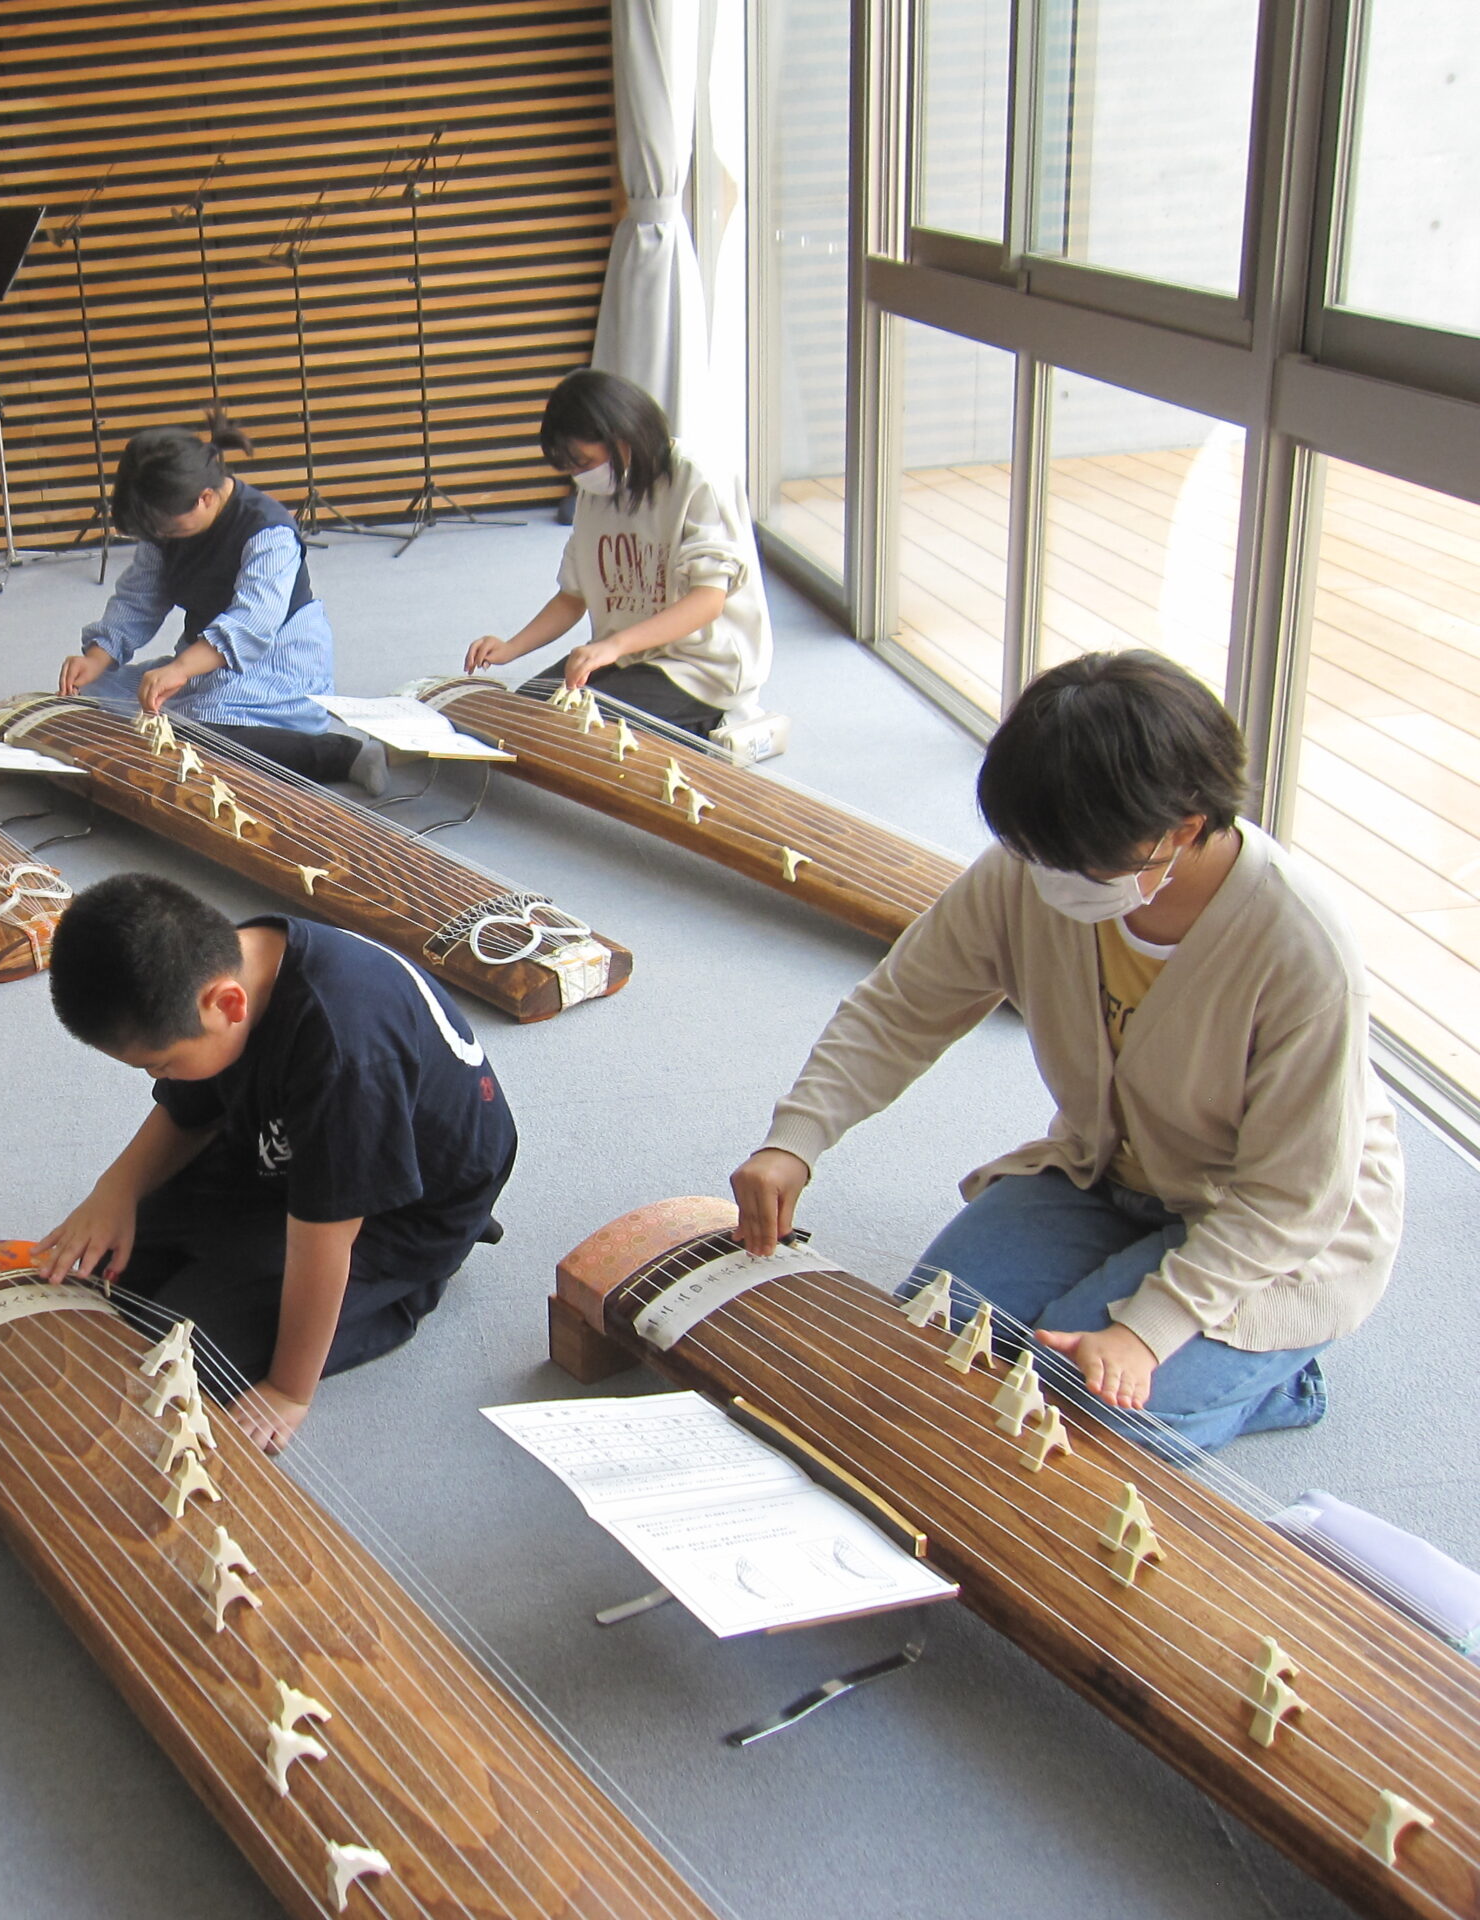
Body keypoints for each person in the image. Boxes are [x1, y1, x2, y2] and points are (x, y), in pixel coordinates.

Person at [728, 652, 1403, 1450]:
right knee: (929, 1340)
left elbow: (1292, 1199)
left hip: (1271, 1229)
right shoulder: (1033, 865)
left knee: (1078, 1417)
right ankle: (1140, 1299)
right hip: (1105, 1174)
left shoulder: (1301, 949)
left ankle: (1280, 1379)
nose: (1041, 878)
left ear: (1182, 831)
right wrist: (795, 1141)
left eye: (1068, 861)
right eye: (1029, 850)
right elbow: (902, 1009)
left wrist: (1150, 1329)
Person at [35, 874, 516, 1454]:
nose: (154, 1078)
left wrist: (289, 1391)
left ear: (226, 1005)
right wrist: (113, 1190)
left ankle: (405, 1289)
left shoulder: (345, 1054)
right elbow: (195, 1109)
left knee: (182, 1351)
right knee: (104, 1267)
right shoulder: (228, 967)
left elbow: (322, 1245)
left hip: (406, 1208)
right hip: (284, 1144)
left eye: (158, 1064)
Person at [58, 417, 381, 789]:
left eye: (169, 531)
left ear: (206, 498)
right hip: (203, 659)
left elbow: (251, 623)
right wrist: (97, 659)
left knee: (198, 734)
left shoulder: (268, 531)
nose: (163, 538)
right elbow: (138, 599)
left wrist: (180, 668)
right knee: (89, 698)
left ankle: (340, 754)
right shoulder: (169, 521)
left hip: (275, 661)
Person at [465, 369, 770, 741]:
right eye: (571, 467)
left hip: (699, 666)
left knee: (570, 726)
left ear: (622, 436)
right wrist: (512, 647)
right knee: (525, 711)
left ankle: (715, 723)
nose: (579, 476)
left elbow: (708, 602)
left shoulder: (697, 479)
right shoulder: (595, 495)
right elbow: (572, 597)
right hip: (627, 655)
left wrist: (612, 645)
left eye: (583, 461)